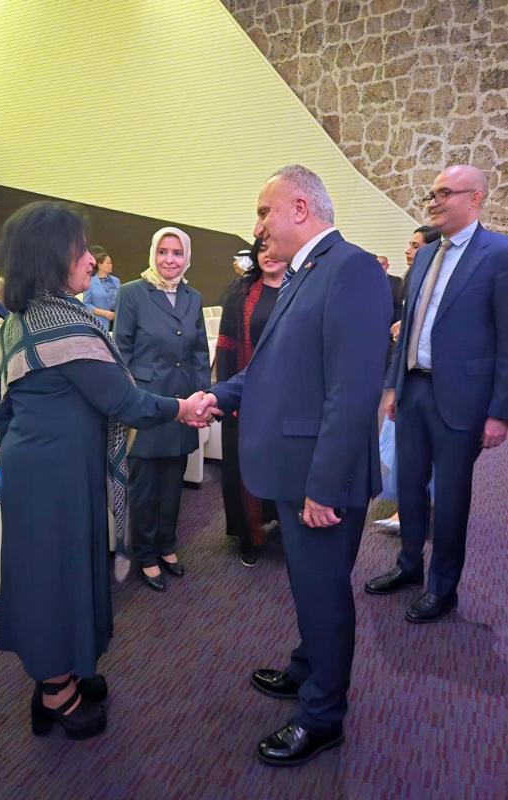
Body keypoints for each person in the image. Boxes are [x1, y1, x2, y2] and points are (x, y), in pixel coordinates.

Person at [0, 201, 208, 741]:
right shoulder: (60, 322)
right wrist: (182, 408)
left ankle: (69, 667)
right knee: (52, 578)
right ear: (50, 257)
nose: (91, 259)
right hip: (52, 474)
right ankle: (53, 692)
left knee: (67, 569)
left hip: (50, 465)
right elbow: (124, 401)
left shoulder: (28, 314)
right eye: (80, 250)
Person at [196, 164, 391, 766]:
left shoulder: (351, 269)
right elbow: (271, 371)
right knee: (309, 588)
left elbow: (352, 393)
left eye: (264, 211)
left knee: (324, 596)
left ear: (301, 209)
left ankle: (323, 716)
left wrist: (324, 487)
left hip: (321, 477)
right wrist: (215, 397)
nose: (257, 226)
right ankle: (308, 668)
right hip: (295, 467)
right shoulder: (307, 272)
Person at [366, 165, 508, 623]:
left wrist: (500, 412)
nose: (434, 202)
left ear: (476, 198)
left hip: (463, 400)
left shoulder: (499, 254)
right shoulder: (426, 254)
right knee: (408, 487)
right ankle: (409, 565)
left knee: (449, 500)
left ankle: (442, 588)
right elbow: (409, 325)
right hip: (414, 391)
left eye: (445, 193)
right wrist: (393, 384)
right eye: (432, 194)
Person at [114, 227, 210, 591]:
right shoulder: (132, 293)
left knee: (173, 482)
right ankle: (145, 554)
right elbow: (121, 351)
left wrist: (203, 398)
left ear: (187, 257)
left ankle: (167, 544)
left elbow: (199, 352)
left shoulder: (193, 297)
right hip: (146, 404)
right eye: (163, 252)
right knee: (144, 487)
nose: (170, 259)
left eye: (177, 253)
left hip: (183, 403)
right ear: (153, 253)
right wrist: (128, 401)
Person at [215, 237, 287, 567]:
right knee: (243, 468)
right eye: (262, 249)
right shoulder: (240, 292)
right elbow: (226, 347)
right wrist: (227, 395)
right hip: (244, 397)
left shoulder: (302, 290)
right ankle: (249, 535)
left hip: (287, 400)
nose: (269, 255)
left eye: (275, 249)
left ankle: (283, 527)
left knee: (284, 465)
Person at [374, 225, 440, 532]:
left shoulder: (432, 279)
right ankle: (409, 508)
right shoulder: (410, 278)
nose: (408, 250)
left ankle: (410, 511)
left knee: (416, 449)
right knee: (404, 446)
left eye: (415, 246)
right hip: (405, 375)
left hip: (426, 379)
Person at [82, 251, 121, 332]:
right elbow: (86, 304)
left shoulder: (116, 280)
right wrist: (104, 313)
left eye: (111, 263)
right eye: (108, 263)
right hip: (101, 322)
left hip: (118, 320)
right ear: (99, 265)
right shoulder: (90, 282)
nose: (111, 265)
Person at [376, 255, 403, 324]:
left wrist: (398, 322)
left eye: (382, 264)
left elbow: (398, 304)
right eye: (377, 264)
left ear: (387, 266)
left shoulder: (396, 281)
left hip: (392, 321)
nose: (379, 267)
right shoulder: (368, 282)